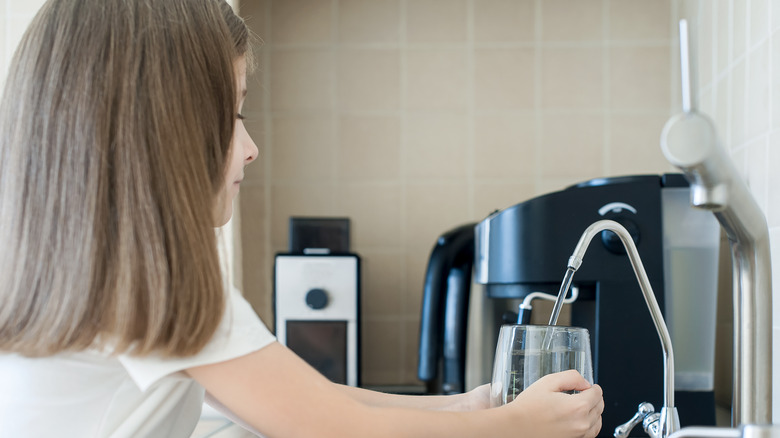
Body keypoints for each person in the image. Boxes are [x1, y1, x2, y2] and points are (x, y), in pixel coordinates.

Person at [0, 0, 604, 437]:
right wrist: (519, 428)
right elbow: (332, 428)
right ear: (166, 132)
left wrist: (470, 409)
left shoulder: (83, 273)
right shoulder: (156, 284)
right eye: (234, 114)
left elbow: (313, 403)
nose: (251, 146)